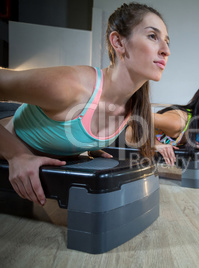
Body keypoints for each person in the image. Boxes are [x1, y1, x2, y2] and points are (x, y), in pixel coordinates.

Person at [0, 2, 170, 206]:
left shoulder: (133, 106)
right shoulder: (70, 86)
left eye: (168, 42)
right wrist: (17, 154)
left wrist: (81, 145)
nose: (166, 50)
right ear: (118, 42)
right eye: (153, 36)